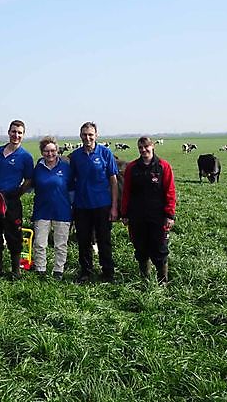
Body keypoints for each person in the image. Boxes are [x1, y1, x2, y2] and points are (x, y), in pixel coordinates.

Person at [0, 120, 34, 278]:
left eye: (19, 133)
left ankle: (15, 270)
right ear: (8, 132)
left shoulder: (25, 157)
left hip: (11, 201)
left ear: (23, 135)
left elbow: (29, 180)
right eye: (13, 132)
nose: (16, 135)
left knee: (14, 235)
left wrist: (18, 193)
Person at [121, 136, 176, 284]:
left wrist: (169, 215)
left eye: (146, 147)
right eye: (141, 148)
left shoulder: (163, 166)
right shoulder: (132, 168)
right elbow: (126, 192)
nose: (144, 150)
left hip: (158, 216)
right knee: (140, 247)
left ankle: (162, 281)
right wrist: (125, 213)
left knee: (160, 248)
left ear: (153, 147)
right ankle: (144, 279)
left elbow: (170, 192)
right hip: (137, 215)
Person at [69, 121, 119, 283]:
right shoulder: (75, 156)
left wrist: (114, 207)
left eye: (90, 134)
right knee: (83, 241)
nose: (87, 138)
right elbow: (71, 181)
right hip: (82, 206)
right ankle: (86, 272)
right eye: (84, 135)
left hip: (102, 205)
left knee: (104, 240)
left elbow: (113, 181)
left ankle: (107, 273)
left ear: (96, 135)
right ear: (80, 136)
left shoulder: (105, 153)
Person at [32, 136, 73, 280]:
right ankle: (40, 270)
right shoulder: (38, 168)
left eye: (53, 151)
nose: (50, 154)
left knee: (60, 244)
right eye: (46, 151)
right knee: (40, 243)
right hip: (41, 210)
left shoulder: (66, 168)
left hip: (62, 211)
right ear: (42, 152)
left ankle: (58, 271)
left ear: (57, 150)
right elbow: (30, 185)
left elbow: (72, 189)